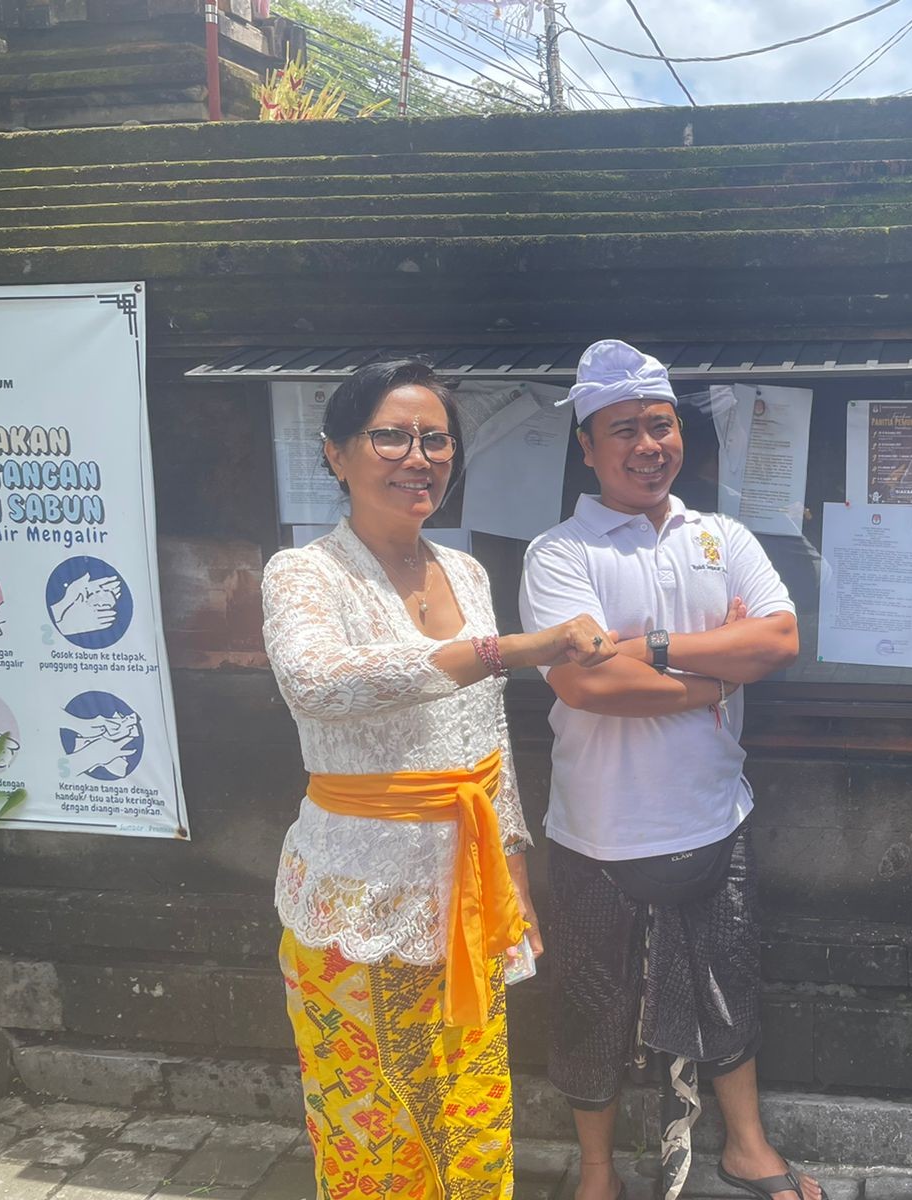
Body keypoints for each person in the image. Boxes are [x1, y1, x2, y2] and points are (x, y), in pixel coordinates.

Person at [262, 358, 615, 1200]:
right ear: (336, 453)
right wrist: (503, 650)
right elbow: (316, 682)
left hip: (466, 891)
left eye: (437, 440)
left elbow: (486, 736)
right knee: (372, 1127)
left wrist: (517, 871)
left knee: (470, 1115)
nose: (418, 457)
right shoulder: (303, 573)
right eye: (390, 436)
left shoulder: (466, 572)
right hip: (354, 897)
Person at [519, 340, 823, 1200]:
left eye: (661, 425)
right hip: (597, 828)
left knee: (729, 984)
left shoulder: (722, 537)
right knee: (590, 1005)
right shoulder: (560, 553)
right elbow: (584, 684)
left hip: (713, 813)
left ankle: (747, 1147)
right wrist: (713, 676)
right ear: (587, 447)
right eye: (624, 431)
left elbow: (779, 639)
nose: (649, 446)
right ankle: (597, 1172)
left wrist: (648, 648)